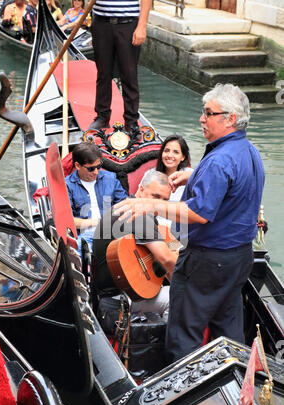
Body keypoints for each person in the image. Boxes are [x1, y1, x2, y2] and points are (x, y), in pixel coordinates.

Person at [113, 83, 265, 362]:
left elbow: (200, 213)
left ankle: (186, 399)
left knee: (184, 334)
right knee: (228, 329)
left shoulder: (219, 162)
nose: (201, 119)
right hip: (238, 258)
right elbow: (231, 183)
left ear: (229, 118)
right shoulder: (249, 151)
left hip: (207, 262)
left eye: (208, 113)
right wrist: (193, 175)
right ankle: (232, 385)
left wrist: (150, 204)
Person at [93, 170, 178, 321]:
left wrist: (172, 248)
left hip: (108, 298)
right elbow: (168, 261)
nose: (159, 204)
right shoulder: (140, 216)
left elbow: (165, 241)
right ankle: (172, 343)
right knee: (180, 296)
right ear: (141, 189)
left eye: (164, 200)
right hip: (118, 302)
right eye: (156, 196)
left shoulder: (124, 206)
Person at [87, 0, 152, 132]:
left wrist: (142, 26)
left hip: (128, 24)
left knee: (129, 74)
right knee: (103, 73)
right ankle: (102, 116)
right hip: (101, 23)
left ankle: (131, 120)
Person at [65, 141, 128, 252]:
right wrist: (98, 223)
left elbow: (126, 206)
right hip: (86, 234)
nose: (96, 172)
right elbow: (68, 220)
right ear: (77, 166)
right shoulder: (67, 186)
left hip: (113, 230)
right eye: (91, 169)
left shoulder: (111, 178)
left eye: (99, 167)